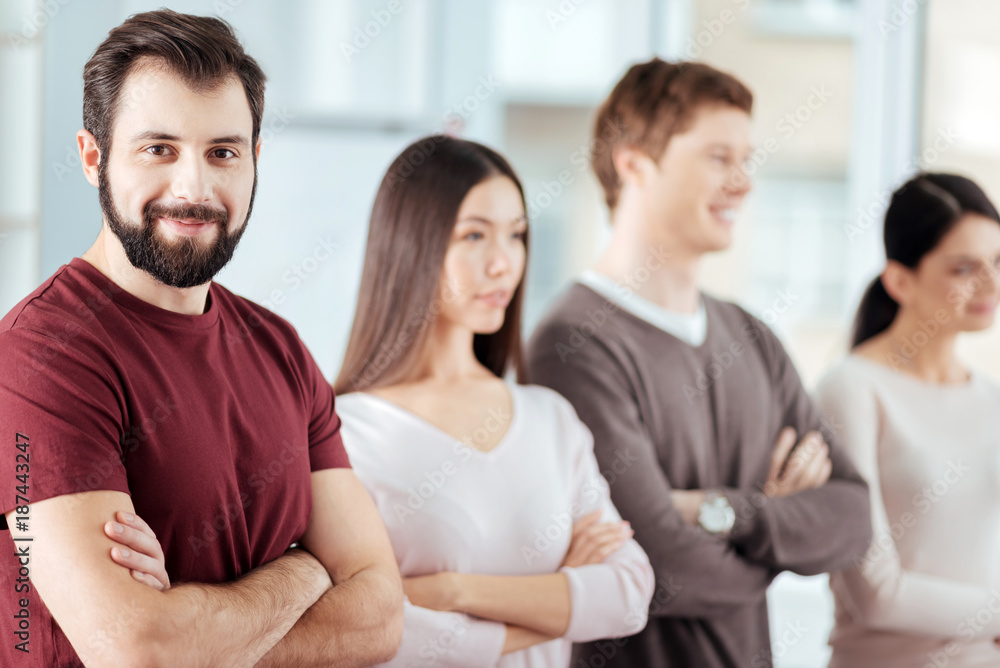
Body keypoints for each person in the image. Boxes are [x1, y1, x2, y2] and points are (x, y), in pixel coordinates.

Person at [0, 10, 403, 667]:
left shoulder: (282, 350)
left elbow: (381, 617)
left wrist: (197, 637)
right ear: (93, 158)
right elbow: (137, 649)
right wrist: (306, 570)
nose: (194, 188)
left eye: (223, 152)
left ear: (254, 160)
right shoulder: (37, 359)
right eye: (158, 149)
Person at [525, 58, 872, 668]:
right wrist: (778, 537)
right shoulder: (573, 343)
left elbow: (852, 518)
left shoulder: (751, 336)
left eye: (746, 159)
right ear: (634, 164)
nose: (743, 183)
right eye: (718, 157)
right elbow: (661, 567)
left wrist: (728, 512)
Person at [328, 134, 655, 667]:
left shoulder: (550, 419)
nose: (504, 263)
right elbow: (372, 629)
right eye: (475, 235)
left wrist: (454, 591)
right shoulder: (345, 433)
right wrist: (559, 594)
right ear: (411, 244)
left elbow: (628, 594)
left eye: (516, 235)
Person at [816, 173, 1000, 667]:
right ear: (900, 281)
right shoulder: (851, 390)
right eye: (964, 268)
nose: (991, 283)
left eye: (998, 262)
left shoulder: (992, 399)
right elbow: (877, 595)